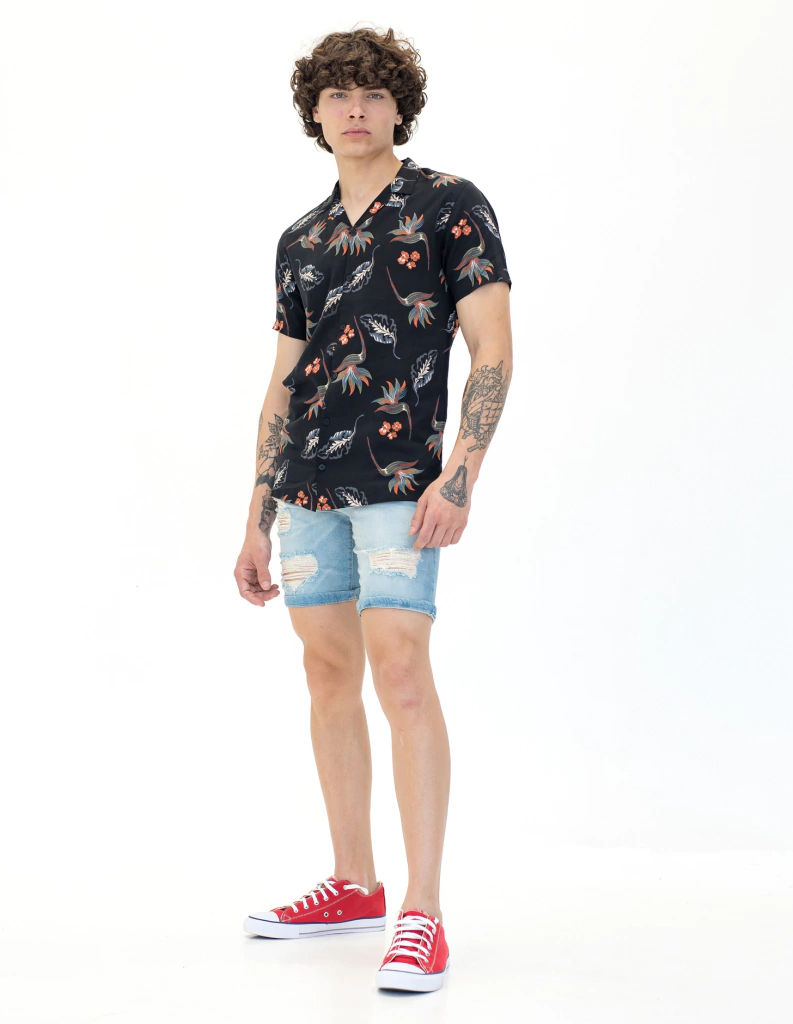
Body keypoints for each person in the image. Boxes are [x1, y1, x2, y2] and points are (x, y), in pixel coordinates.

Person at [234, 25, 513, 994]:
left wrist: (461, 474)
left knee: (400, 673)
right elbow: (281, 386)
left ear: (400, 107)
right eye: (337, 95)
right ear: (315, 113)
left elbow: (493, 350)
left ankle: (422, 912)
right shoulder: (301, 240)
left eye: (373, 94)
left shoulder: (449, 206)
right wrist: (255, 514)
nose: (355, 109)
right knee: (326, 674)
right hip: (307, 490)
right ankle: (354, 882)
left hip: (401, 484)